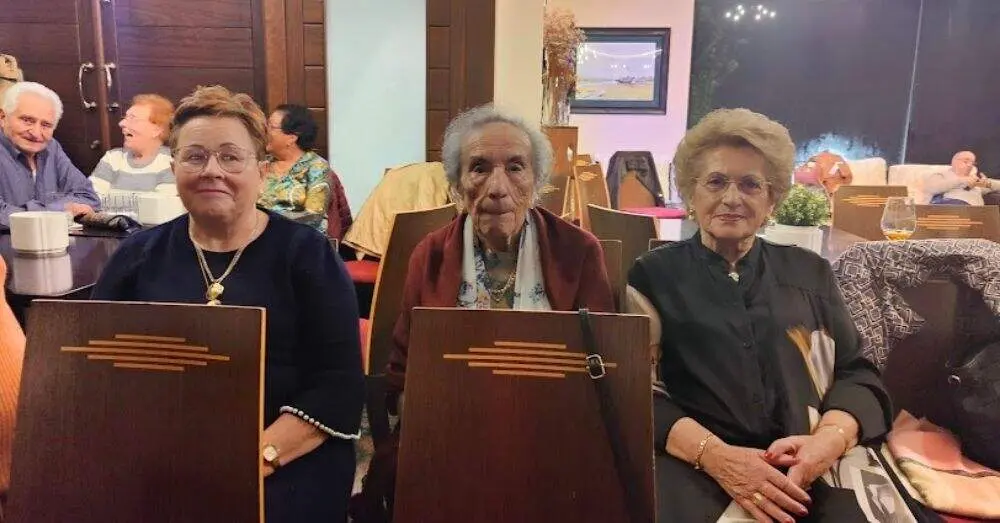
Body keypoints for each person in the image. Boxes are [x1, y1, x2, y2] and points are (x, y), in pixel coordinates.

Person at [90, 85, 364, 521]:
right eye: (194, 156)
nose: (211, 170)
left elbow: (338, 386)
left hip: (284, 453)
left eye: (231, 157)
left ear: (261, 171)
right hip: (161, 453)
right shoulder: (136, 256)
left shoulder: (308, 257)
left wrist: (247, 462)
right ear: (174, 166)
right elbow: (97, 373)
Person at [627, 108, 900, 522]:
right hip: (697, 468)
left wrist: (827, 441)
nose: (732, 198)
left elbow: (857, 373)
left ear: (772, 198)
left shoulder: (810, 272)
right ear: (691, 192)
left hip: (810, 466)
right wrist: (718, 458)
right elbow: (632, 391)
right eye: (716, 181)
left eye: (750, 184)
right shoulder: (653, 276)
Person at [351, 105, 616, 521]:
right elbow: (404, 369)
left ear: (537, 180)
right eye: (479, 168)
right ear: (458, 184)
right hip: (450, 432)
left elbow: (603, 366)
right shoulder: (431, 254)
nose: (497, 187)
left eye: (515, 167)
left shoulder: (578, 251)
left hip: (552, 433)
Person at [0, 82, 100, 228]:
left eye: (46, 125)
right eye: (27, 120)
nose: (36, 133)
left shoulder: (51, 147)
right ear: (3, 117)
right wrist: (63, 210)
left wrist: (30, 213)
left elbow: (89, 198)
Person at [259, 104, 350, 236]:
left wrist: (264, 219)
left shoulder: (316, 167)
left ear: (292, 137)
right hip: (260, 240)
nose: (265, 131)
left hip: (301, 242)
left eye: (271, 127)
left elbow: (313, 217)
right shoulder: (262, 166)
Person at [90, 94, 176, 193]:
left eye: (132, 118)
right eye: (125, 118)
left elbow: (161, 205)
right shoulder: (112, 158)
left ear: (156, 130)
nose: (121, 123)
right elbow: (91, 199)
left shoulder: (170, 163)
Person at [926, 150, 997, 205]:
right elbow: (932, 188)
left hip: (973, 213)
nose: (969, 165)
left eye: (972, 163)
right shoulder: (942, 174)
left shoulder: (976, 180)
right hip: (948, 205)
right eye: (966, 161)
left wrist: (989, 183)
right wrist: (961, 180)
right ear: (954, 161)